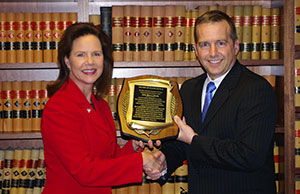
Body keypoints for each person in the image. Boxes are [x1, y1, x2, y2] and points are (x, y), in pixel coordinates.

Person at [150, 10, 277, 194]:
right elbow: (181, 143)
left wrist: (194, 140)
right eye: (204, 44)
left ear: (235, 46)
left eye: (221, 43)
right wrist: (163, 161)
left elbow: (249, 155)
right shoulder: (189, 89)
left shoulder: (257, 89)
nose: (212, 53)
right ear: (195, 50)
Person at [41, 23, 163, 194]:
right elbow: (85, 171)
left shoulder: (101, 106)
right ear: (67, 61)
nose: (90, 62)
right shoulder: (58, 108)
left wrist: (134, 147)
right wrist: (141, 161)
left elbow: (109, 159)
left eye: (96, 54)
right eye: (81, 55)